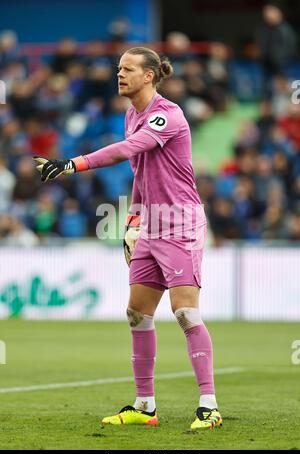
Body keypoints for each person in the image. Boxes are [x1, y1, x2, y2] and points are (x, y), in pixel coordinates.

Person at [33, 47, 222, 431]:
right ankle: (145, 405)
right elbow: (141, 169)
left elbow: (127, 150)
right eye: (119, 68)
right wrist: (134, 219)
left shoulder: (167, 115)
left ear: (149, 75)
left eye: (129, 69)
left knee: (185, 312)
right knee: (137, 314)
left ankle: (209, 405)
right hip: (150, 223)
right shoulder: (131, 113)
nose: (120, 74)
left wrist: (73, 164)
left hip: (180, 221)